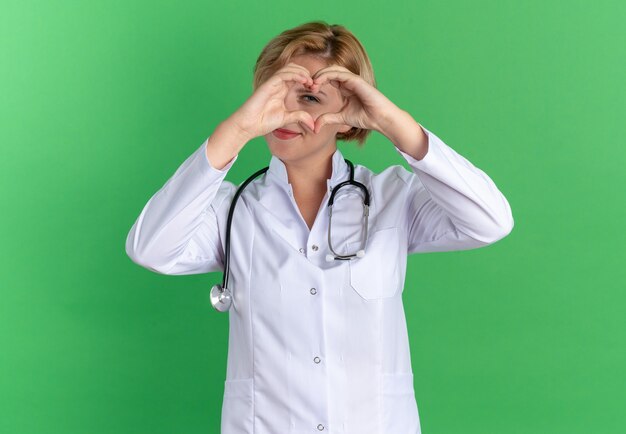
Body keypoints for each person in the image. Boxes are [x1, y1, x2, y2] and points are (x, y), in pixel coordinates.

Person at [125, 20, 514, 434]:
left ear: (348, 116)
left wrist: (395, 123)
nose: (288, 112)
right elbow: (149, 248)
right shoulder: (233, 211)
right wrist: (234, 131)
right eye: (277, 92)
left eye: (309, 97)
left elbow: (491, 221)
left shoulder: (392, 199)